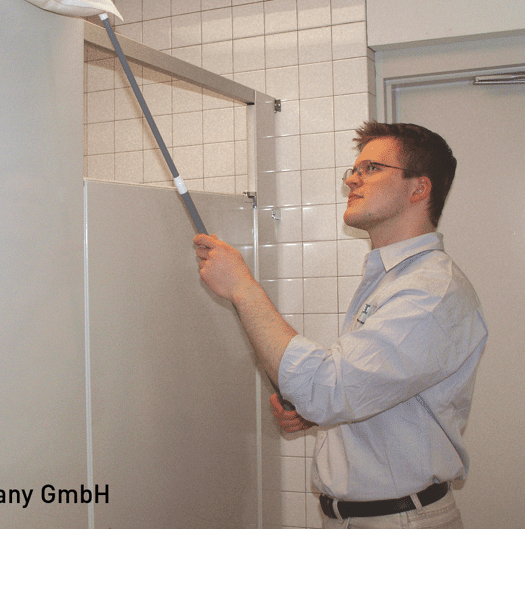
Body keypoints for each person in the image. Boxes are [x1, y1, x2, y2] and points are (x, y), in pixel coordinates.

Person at [194, 121, 487, 529]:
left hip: (400, 526)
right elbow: (369, 390)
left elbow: (328, 388)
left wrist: (243, 288)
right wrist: (316, 414)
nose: (352, 179)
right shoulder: (390, 279)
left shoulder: (431, 292)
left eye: (371, 168)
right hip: (360, 522)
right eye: (354, 169)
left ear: (419, 189)